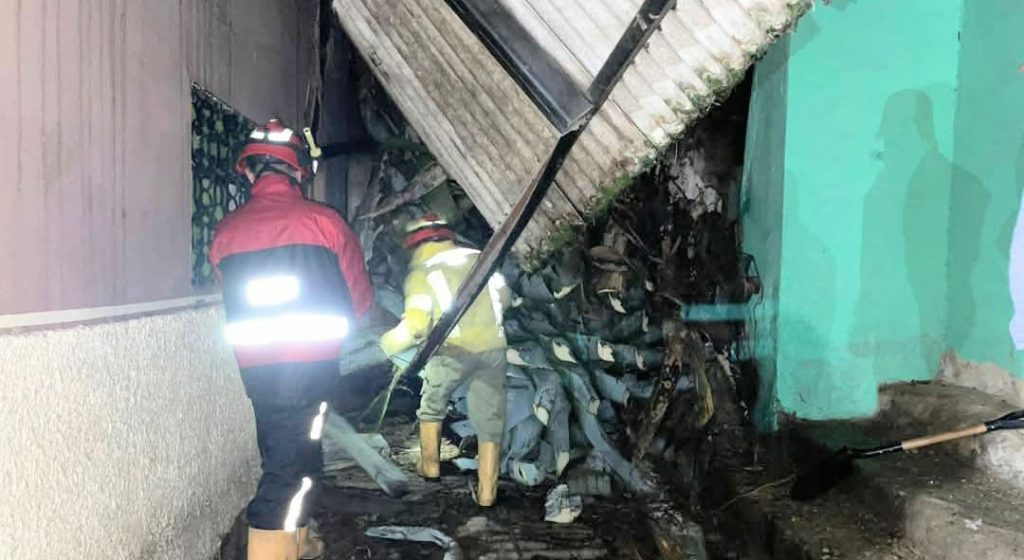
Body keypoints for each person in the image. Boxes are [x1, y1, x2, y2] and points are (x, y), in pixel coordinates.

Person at [210, 119, 373, 560]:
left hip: (259, 376)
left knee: (289, 461)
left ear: (249, 172)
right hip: (311, 372)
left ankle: (297, 543)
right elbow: (359, 300)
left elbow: (230, 291)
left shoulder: (226, 234)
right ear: (299, 170)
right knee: (289, 476)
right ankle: (276, 545)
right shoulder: (326, 224)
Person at [380, 214, 509, 506]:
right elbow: (505, 298)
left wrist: (385, 345)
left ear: (415, 244)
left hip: (453, 349)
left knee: (432, 406)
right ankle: (487, 494)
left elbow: (416, 327)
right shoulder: (480, 258)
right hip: (493, 348)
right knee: (490, 420)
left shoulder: (422, 272)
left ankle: (430, 467)